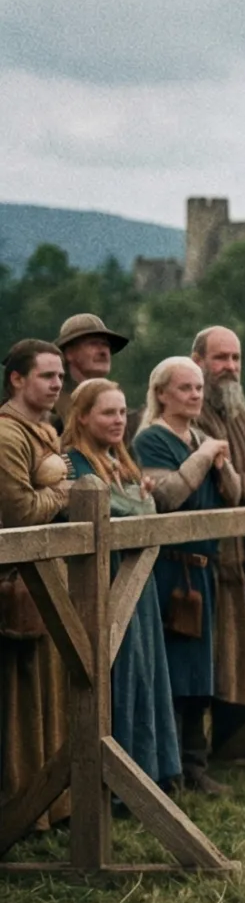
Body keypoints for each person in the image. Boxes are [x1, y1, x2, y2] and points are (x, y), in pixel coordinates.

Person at [135, 357, 245, 794]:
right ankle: (166, 768)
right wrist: (205, 457)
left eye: (199, 388)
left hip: (205, 568)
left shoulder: (203, 436)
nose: (196, 395)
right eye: (185, 388)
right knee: (173, 673)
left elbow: (235, 493)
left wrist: (236, 471)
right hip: (169, 571)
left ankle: (194, 764)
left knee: (200, 673)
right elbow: (167, 496)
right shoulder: (152, 439)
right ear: (162, 393)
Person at [61, 378, 184, 792]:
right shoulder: (74, 463)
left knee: (145, 668)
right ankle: (115, 782)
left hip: (136, 580)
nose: (118, 421)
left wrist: (139, 498)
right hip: (103, 582)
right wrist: (140, 499)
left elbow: (141, 507)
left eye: (121, 412)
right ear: (82, 417)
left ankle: (150, 770)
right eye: (107, 413)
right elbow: (125, 509)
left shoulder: (119, 459)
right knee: (119, 670)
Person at [0, 340, 73, 839]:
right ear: (17, 380)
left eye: (60, 377)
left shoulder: (45, 429)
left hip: (50, 578)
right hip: (18, 584)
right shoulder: (7, 435)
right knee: (21, 701)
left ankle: (51, 806)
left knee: (52, 694)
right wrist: (65, 490)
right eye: (47, 375)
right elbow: (18, 512)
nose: (57, 384)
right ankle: (21, 810)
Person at [53, 313, 128, 414]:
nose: (103, 352)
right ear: (69, 353)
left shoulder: (116, 405)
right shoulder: (52, 404)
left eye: (106, 345)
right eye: (93, 343)